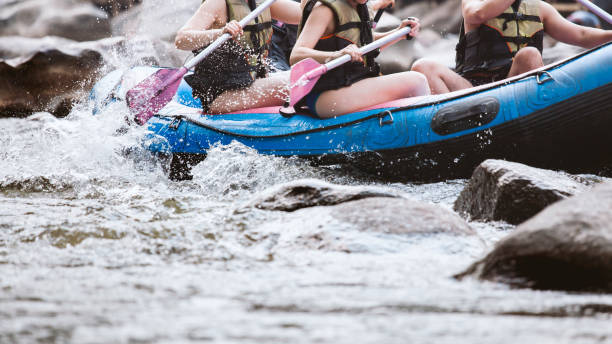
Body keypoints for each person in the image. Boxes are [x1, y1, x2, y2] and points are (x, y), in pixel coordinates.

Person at [410, 0, 612, 94]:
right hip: (470, 89)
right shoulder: (475, 2)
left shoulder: (540, 8)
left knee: (530, 54)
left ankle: (531, 114)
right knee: (423, 66)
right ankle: (451, 127)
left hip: (513, 87)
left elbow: (583, 35)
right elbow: (476, 14)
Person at [289, 0, 430, 118]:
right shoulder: (324, 10)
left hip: (354, 83)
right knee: (417, 81)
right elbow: (296, 55)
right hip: (325, 95)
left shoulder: (361, 7)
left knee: (418, 82)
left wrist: (398, 33)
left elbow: (365, 43)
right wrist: (335, 55)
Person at [174, 0, 301, 113]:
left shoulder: (265, 3)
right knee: (298, 82)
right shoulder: (217, 3)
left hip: (253, 83)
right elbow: (181, 40)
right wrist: (220, 33)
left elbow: (306, 12)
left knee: (305, 74)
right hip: (223, 96)